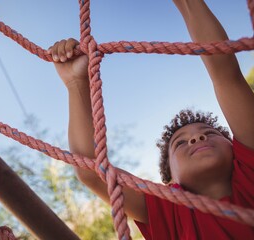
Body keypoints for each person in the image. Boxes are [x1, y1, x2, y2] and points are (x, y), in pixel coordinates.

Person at [47, 0, 254, 239]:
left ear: (235, 148)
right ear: (170, 180)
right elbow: (91, 170)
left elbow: (226, 75)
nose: (197, 137)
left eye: (210, 133)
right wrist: (75, 83)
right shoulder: (170, 210)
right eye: (180, 143)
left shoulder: (249, 168)